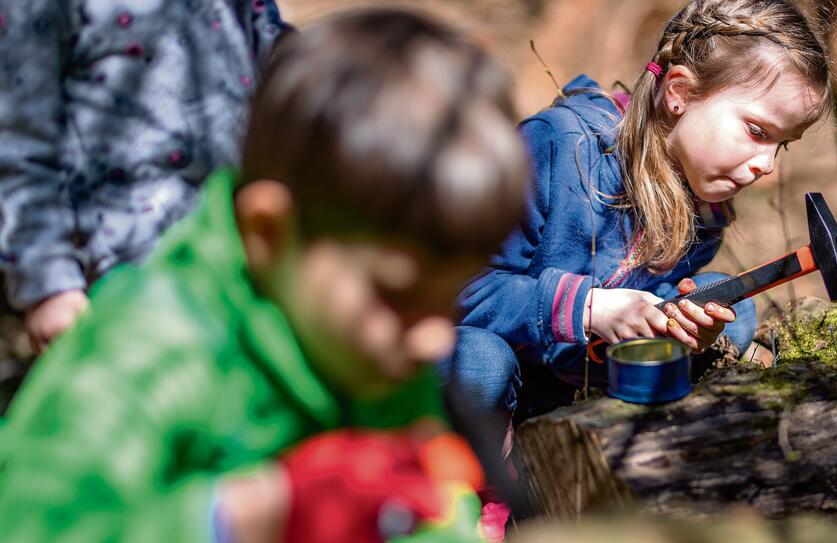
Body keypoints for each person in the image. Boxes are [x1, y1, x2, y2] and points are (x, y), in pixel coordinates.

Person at [0, 10, 526, 543]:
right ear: (269, 232)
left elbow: (418, 507)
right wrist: (249, 516)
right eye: (398, 293)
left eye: (449, 299)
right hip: (116, 250)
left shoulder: (381, 344)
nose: (436, 336)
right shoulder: (148, 355)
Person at [445, 0, 833, 421]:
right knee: (479, 363)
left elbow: (641, 315)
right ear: (679, 93)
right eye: (757, 131)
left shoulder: (705, 213)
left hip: (570, 378)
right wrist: (587, 307)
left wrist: (678, 327)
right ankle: (478, 472)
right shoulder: (556, 147)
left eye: (782, 144)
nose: (768, 164)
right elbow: (452, 290)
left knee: (732, 307)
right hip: (480, 367)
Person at [0, 0, 287, 352]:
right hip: (121, 265)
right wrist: (48, 282)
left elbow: (273, 51)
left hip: (231, 238)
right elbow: (18, 145)